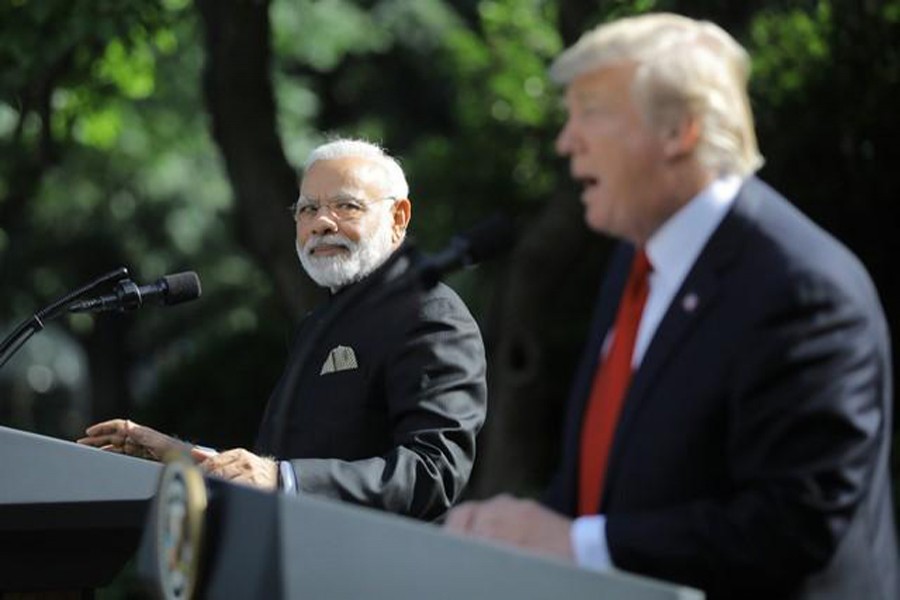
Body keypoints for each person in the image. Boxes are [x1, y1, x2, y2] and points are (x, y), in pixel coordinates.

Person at [444, 12, 898, 599]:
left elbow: (794, 525)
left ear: (679, 131)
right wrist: (518, 533)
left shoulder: (803, 289)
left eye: (592, 112)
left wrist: (579, 544)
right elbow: (601, 488)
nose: (566, 139)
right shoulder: (634, 261)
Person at [78, 138, 487, 521]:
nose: (321, 223)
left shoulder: (430, 316)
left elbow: (434, 472)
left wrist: (283, 479)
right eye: (307, 209)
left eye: (346, 206)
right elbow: (276, 469)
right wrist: (180, 456)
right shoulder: (318, 324)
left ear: (398, 217)